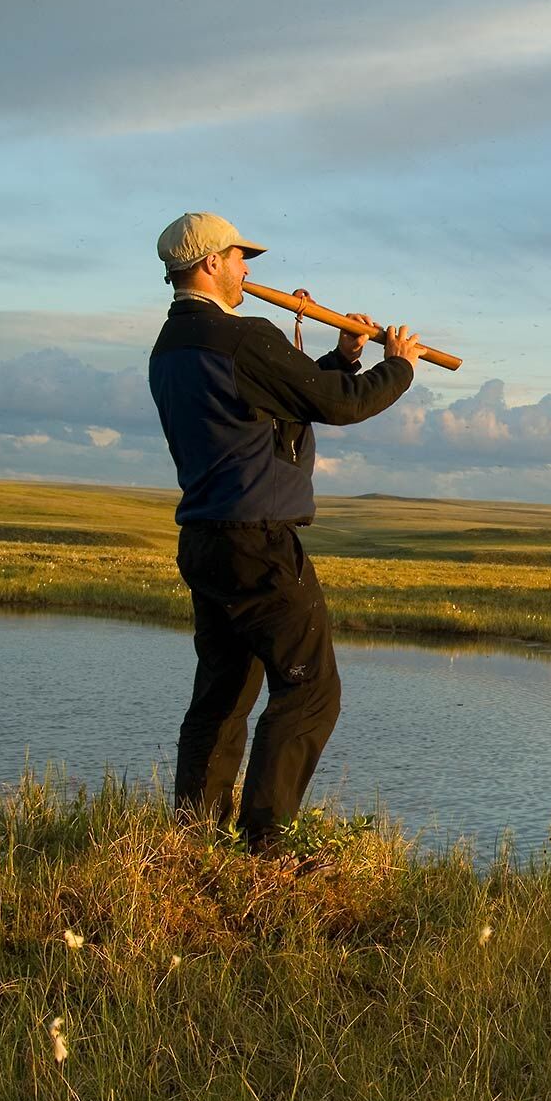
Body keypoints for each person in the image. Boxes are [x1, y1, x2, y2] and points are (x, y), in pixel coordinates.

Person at [147, 211, 423, 851]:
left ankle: (194, 842)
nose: (247, 271)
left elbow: (279, 401)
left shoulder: (173, 347)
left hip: (207, 540)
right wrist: (398, 365)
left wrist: (342, 355)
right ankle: (266, 844)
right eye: (241, 258)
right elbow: (338, 405)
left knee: (222, 696)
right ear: (212, 262)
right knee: (310, 691)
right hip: (261, 543)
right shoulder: (244, 337)